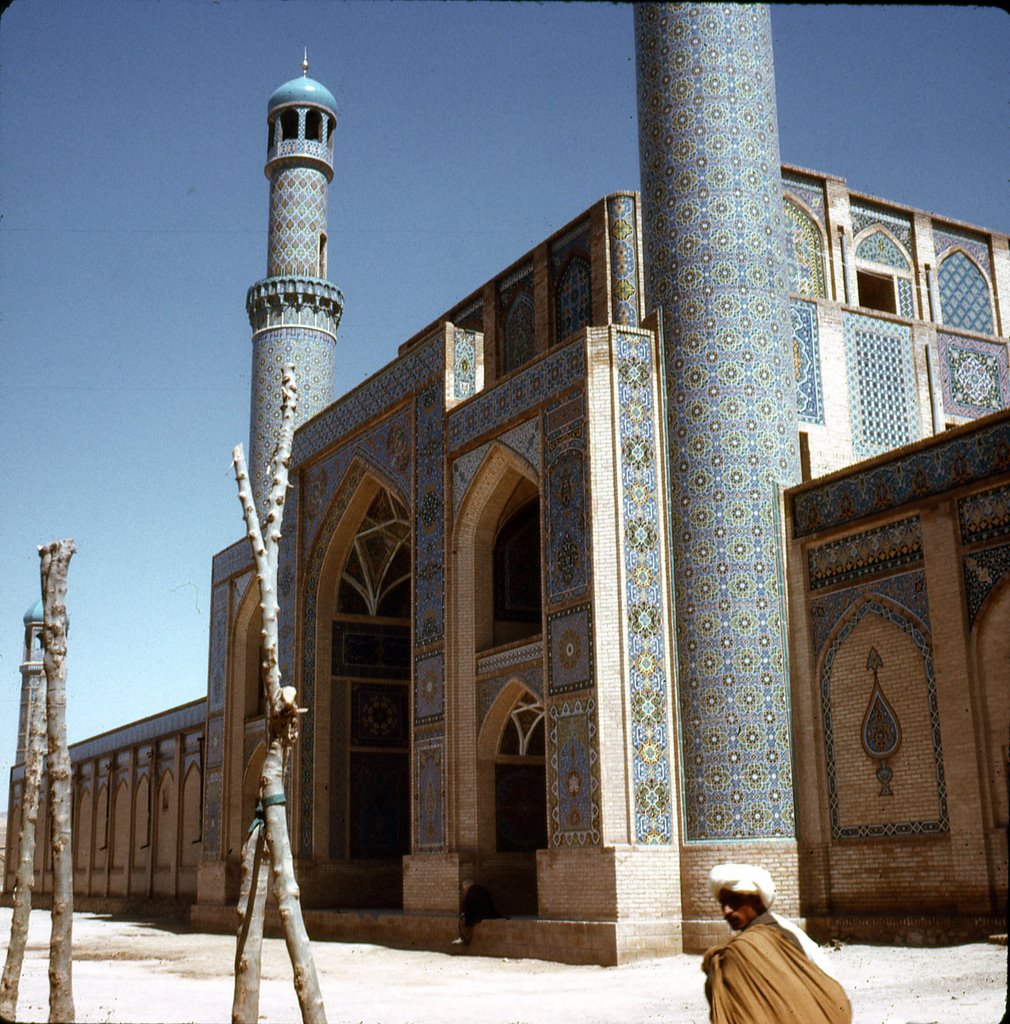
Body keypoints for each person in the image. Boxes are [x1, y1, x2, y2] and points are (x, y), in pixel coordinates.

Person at [701, 862, 851, 1024]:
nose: (726, 911)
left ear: (757, 902)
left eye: (734, 901)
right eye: (723, 904)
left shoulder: (744, 948)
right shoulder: (789, 929)